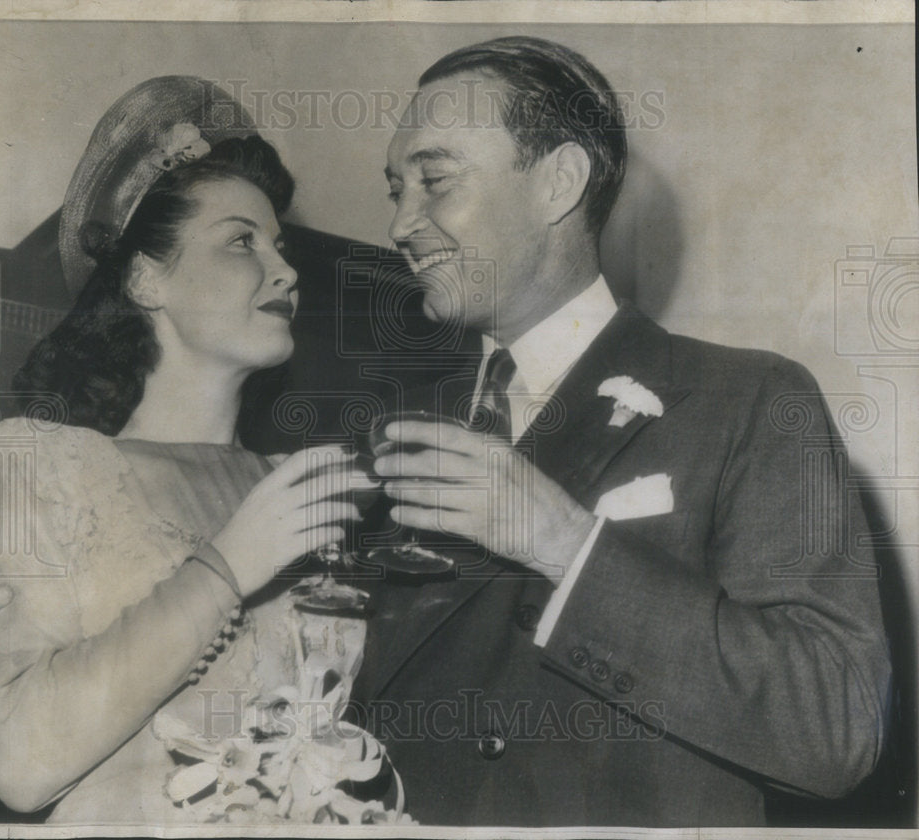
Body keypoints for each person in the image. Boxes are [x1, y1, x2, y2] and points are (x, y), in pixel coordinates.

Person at [358, 36, 893, 826]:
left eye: (435, 181)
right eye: (395, 189)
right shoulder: (394, 429)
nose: (404, 223)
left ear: (559, 182)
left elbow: (834, 727)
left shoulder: (748, 399)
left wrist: (564, 543)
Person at [0, 76, 404, 825]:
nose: (287, 271)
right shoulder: (44, 460)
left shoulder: (289, 485)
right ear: (144, 278)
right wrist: (226, 568)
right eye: (241, 241)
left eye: (280, 246)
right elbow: (20, 762)